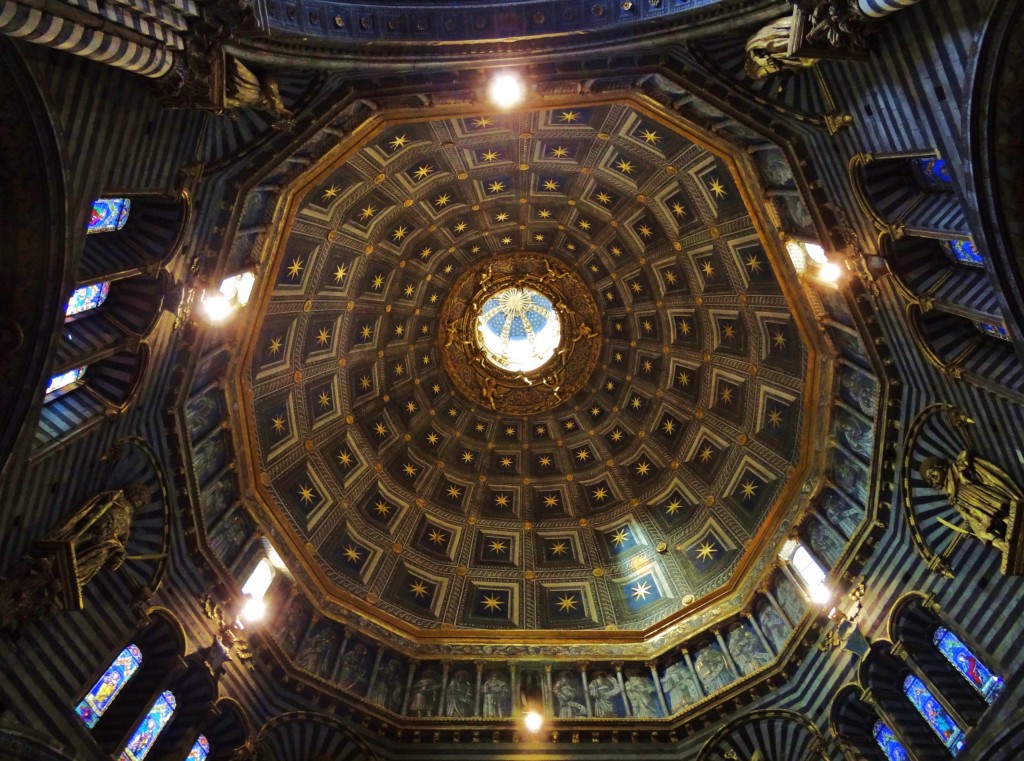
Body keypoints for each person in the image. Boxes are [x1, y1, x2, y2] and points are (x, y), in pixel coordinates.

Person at [920, 451, 1022, 552]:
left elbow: (965, 454)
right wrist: (968, 526)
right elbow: (965, 512)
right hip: (973, 509)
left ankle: (1015, 524)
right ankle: (1002, 545)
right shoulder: (951, 496)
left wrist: (961, 471)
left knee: (995, 511)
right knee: (981, 530)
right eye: (931, 481)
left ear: (940, 466)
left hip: (978, 497)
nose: (934, 479)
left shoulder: (955, 470)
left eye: (932, 474)